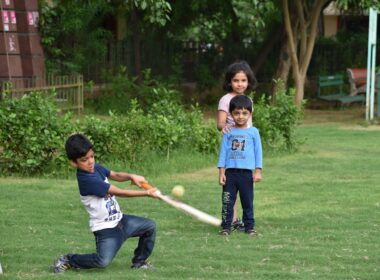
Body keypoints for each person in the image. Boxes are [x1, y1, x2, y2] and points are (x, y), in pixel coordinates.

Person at [53, 133, 160, 273]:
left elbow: (114, 175)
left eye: (92, 156)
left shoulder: (95, 168)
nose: (90, 161)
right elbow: (119, 192)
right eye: (84, 160)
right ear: (74, 163)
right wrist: (146, 193)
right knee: (102, 261)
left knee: (149, 227)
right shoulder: (86, 180)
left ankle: (139, 262)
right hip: (106, 230)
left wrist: (131, 176)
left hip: (121, 221)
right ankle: (69, 259)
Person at [217, 60, 257, 231]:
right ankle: (231, 221)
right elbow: (220, 123)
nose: (240, 84)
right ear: (229, 81)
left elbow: (250, 125)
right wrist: (228, 128)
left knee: (246, 191)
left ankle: (241, 220)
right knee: (230, 189)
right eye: (236, 80)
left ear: (248, 81)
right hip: (232, 146)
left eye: (243, 80)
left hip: (245, 151)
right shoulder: (225, 99)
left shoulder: (247, 100)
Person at [217, 95, 263, 236]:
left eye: (244, 113)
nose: (240, 116)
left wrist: (258, 171)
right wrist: (221, 173)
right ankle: (226, 227)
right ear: (231, 114)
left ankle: (249, 227)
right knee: (227, 202)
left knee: (247, 202)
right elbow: (223, 153)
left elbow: (258, 152)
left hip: (246, 174)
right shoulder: (228, 132)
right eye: (236, 113)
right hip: (230, 173)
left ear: (250, 114)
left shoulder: (253, 132)